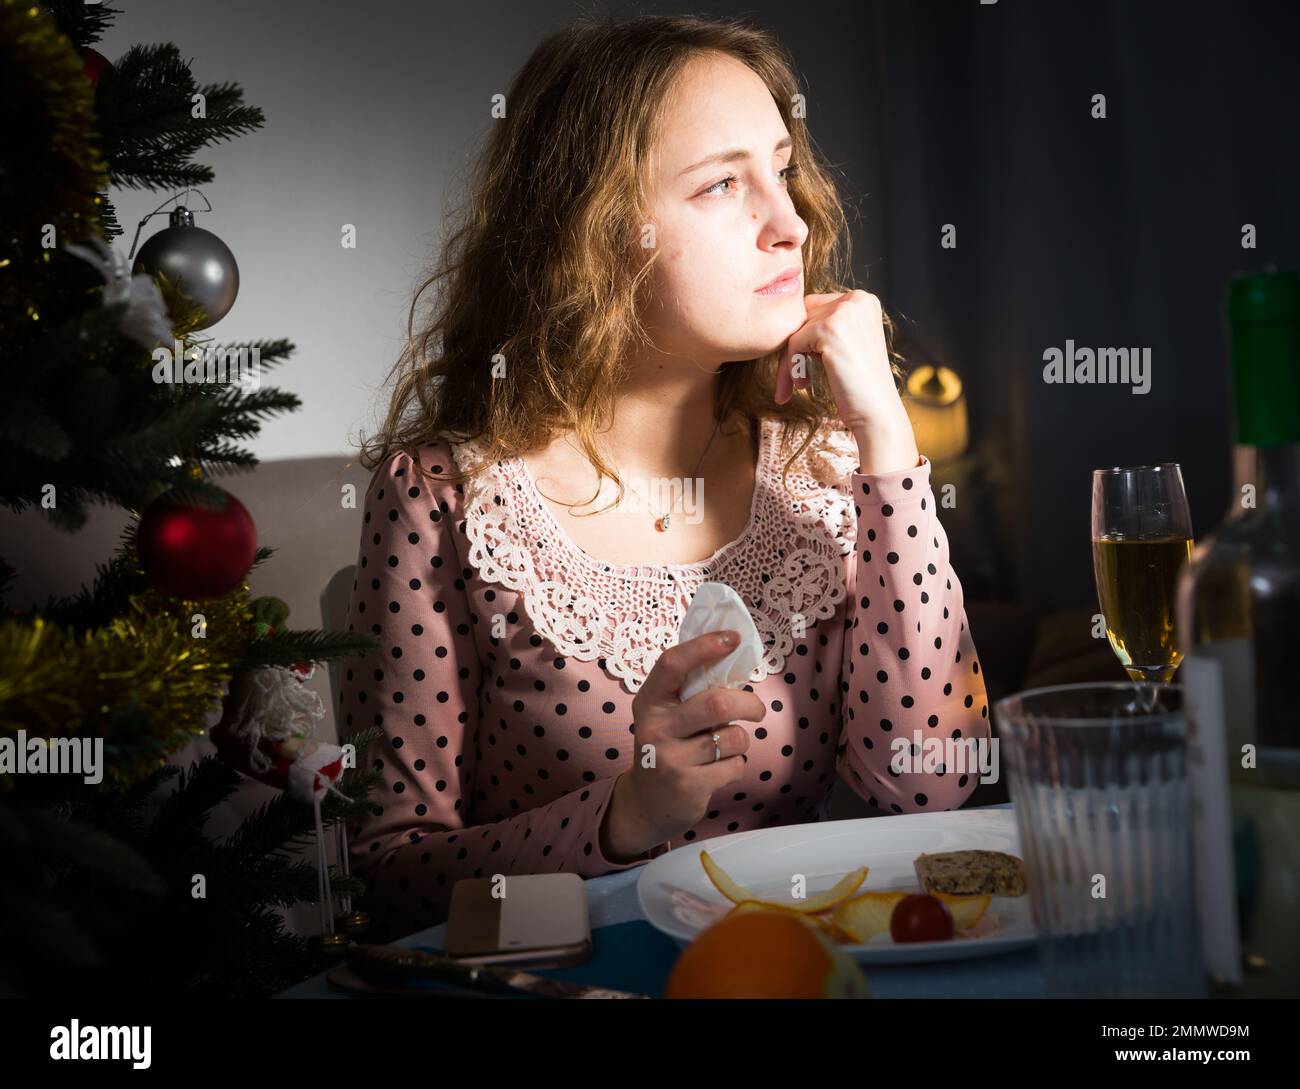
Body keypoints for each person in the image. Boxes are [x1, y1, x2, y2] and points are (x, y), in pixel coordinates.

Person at [340, 13, 992, 942]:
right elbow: (390, 877)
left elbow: (930, 784)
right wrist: (625, 815)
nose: (789, 221)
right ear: (595, 231)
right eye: (725, 184)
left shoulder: (830, 470)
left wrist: (887, 436)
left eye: (781, 169)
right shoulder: (444, 495)